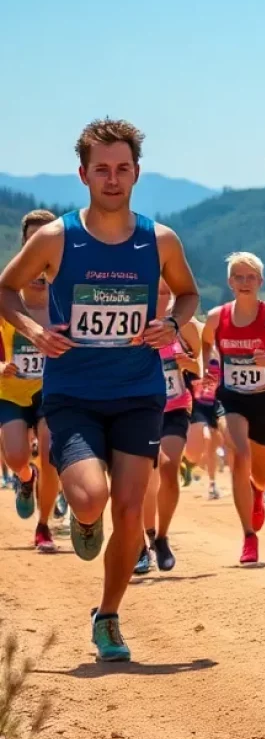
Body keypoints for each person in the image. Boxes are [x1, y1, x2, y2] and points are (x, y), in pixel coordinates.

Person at [0, 118, 200, 661]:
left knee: (132, 510)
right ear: (83, 174)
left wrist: (173, 325)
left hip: (138, 393)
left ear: (136, 172)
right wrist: (36, 331)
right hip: (74, 395)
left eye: (123, 168)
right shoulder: (56, 238)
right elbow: (6, 289)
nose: (113, 179)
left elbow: (186, 294)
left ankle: (108, 616)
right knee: (92, 500)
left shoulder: (158, 239)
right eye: (102, 169)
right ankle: (82, 517)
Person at [202, 252, 265, 566]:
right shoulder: (216, 317)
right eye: (238, 276)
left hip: (264, 400)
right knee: (239, 456)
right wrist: (207, 367)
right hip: (230, 399)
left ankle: (258, 492)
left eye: (250, 277)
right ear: (229, 281)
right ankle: (249, 535)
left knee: (261, 475)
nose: (244, 282)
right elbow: (205, 344)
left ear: (260, 282)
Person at [0, 209, 60, 551]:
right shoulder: (7, 296)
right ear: (24, 244)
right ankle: (25, 478)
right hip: (11, 392)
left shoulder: (63, 298)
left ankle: (43, 524)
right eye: (32, 239)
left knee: (51, 451)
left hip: (51, 392)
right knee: (16, 457)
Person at [136, 279, 202, 574]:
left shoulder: (183, 327)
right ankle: (141, 541)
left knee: (168, 465)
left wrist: (184, 361)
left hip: (175, 407)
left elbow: (198, 367)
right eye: (156, 290)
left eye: (165, 290)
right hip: (140, 411)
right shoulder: (133, 322)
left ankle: (161, 537)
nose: (161, 295)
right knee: (139, 478)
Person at [185, 348, 226, 500]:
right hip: (198, 409)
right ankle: (193, 462)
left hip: (214, 406)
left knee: (213, 449)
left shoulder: (217, 358)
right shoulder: (192, 362)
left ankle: (212, 483)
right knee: (206, 440)